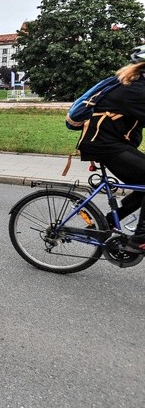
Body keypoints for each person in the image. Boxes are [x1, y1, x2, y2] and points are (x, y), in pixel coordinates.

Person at [77, 45, 145, 254]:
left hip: (113, 144)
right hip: (104, 145)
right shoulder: (136, 90)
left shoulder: (135, 85)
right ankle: (140, 239)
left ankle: (107, 222)